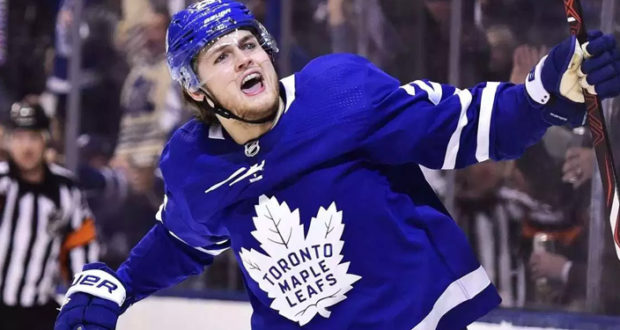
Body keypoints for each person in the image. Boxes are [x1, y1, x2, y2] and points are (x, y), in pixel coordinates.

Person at [54, 1, 620, 329]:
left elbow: (459, 125)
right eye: (221, 57)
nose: (245, 59)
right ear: (197, 91)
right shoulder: (192, 159)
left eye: (249, 44)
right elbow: (183, 239)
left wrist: (549, 93)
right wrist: (121, 284)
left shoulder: (338, 91)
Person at [0, 102, 98, 330]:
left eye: (33, 137)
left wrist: (84, 303)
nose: (26, 146)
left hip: (37, 311)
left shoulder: (66, 191)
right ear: (8, 140)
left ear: (45, 140)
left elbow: (81, 249)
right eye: (19, 137)